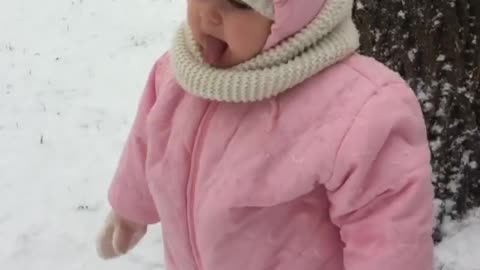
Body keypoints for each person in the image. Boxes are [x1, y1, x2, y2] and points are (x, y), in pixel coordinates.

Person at [96, 0, 435, 269]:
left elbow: (387, 238)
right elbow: (148, 142)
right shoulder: (176, 74)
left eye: (240, 4)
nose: (208, 12)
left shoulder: (361, 111)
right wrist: (130, 209)